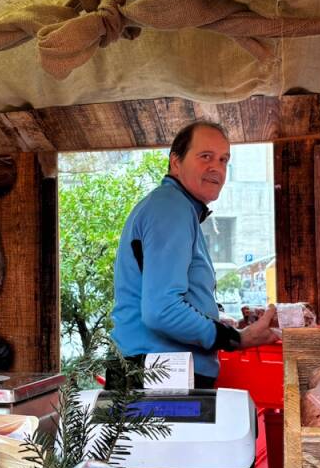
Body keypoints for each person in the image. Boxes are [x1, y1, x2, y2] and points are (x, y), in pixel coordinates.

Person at [111, 121, 280, 388]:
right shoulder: (171, 207)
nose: (218, 168)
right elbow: (162, 311)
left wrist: (214, 321)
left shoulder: (178, 209)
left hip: (155, 375)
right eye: (205, 157)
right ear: (175, 163)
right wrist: (235, 338)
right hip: (160, 380)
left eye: (224, 159)